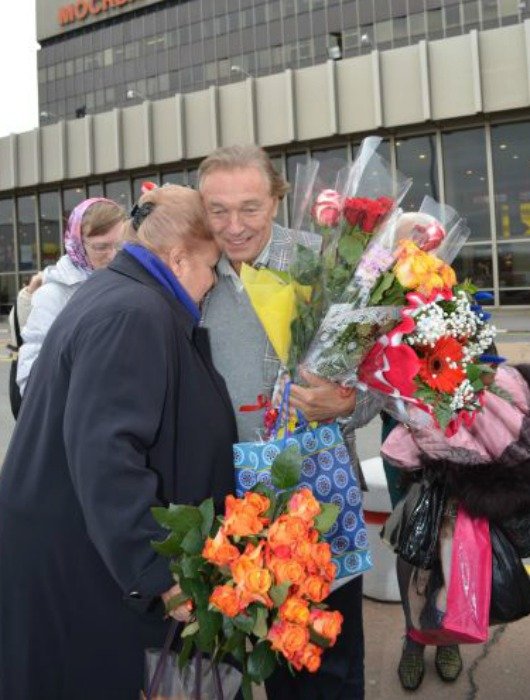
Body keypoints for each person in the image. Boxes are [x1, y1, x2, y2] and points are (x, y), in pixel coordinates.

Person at [0, 185, 237, 699]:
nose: (214, 279)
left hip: (81, 558)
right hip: (84, 571)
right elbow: (106, 456)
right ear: (177, 258)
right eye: (210, 265)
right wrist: (159, 572)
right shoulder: (134, 312)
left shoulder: (122, 293)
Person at [199, 144, 381, 700]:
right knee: (257, 662)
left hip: (318, 506)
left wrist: (348, 404)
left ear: (278, 201)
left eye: (249, 208)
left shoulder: (321, 262)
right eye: (218, 210)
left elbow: (380, 384)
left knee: (326, 666)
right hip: (233, 516)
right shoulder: (192, 272)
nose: (233, 226)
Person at [16, 197, 126, 397]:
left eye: (120, 245)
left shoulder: (129, 284)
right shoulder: (53, 296)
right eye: (101, 247)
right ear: (77, 245)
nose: (112, 255)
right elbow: (30, 379)